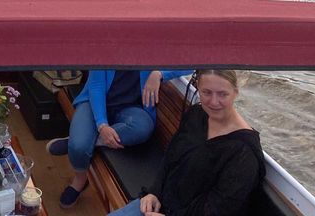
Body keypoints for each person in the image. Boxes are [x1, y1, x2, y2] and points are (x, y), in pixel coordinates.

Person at [108, 69, 265, 216]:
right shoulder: (197, 115)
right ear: (198, 88)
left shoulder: (244, 152)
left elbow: (220, 209)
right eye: (206, 92)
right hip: (160, 203)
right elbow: (171, 157)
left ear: (235, 93)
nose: (214, 102)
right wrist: (154, 192)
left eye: (223, 94)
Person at [47, 69, 191, 209]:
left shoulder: (152, 48)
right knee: (79, 146)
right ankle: (80, 179)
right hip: (93, 104)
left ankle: (81, 141)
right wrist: (102, 125)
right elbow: (96, 86)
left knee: (143, 127)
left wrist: (159, 74)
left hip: (130, 110)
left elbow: (190, 64)